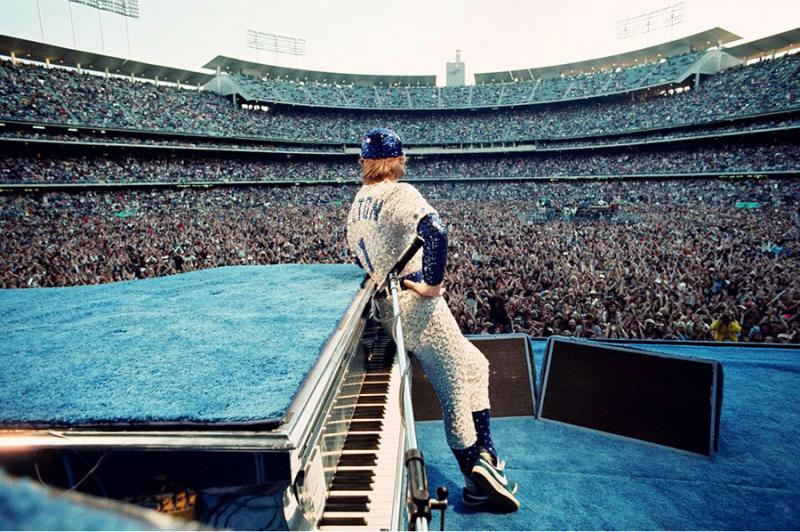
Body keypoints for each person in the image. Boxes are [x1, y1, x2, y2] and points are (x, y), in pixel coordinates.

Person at [346, 128, 520, 512]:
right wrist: (432, 284)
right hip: (417, 307)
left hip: (388, 306)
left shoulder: (359, 200)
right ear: (398, 160)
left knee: (476, 363)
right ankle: (474, 475)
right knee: (455, 386)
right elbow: (436, 231)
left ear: (365, 161)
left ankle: (486, 456)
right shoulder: (400, 192)